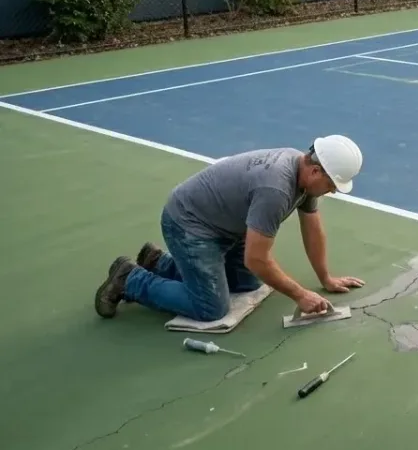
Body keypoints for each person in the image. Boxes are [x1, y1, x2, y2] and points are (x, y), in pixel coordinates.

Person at [94, 136, 367, 322]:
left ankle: (158, 262)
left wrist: (326, 277)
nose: (332, 191)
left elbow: (312, 227)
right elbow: (256, 259)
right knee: (210, 307)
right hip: (189, 225)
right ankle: (130, 279)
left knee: (247, 283)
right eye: (332, 185)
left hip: (224, 226)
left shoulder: (302, 169)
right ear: (316, 171)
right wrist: (300, 295)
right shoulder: (276, 189)